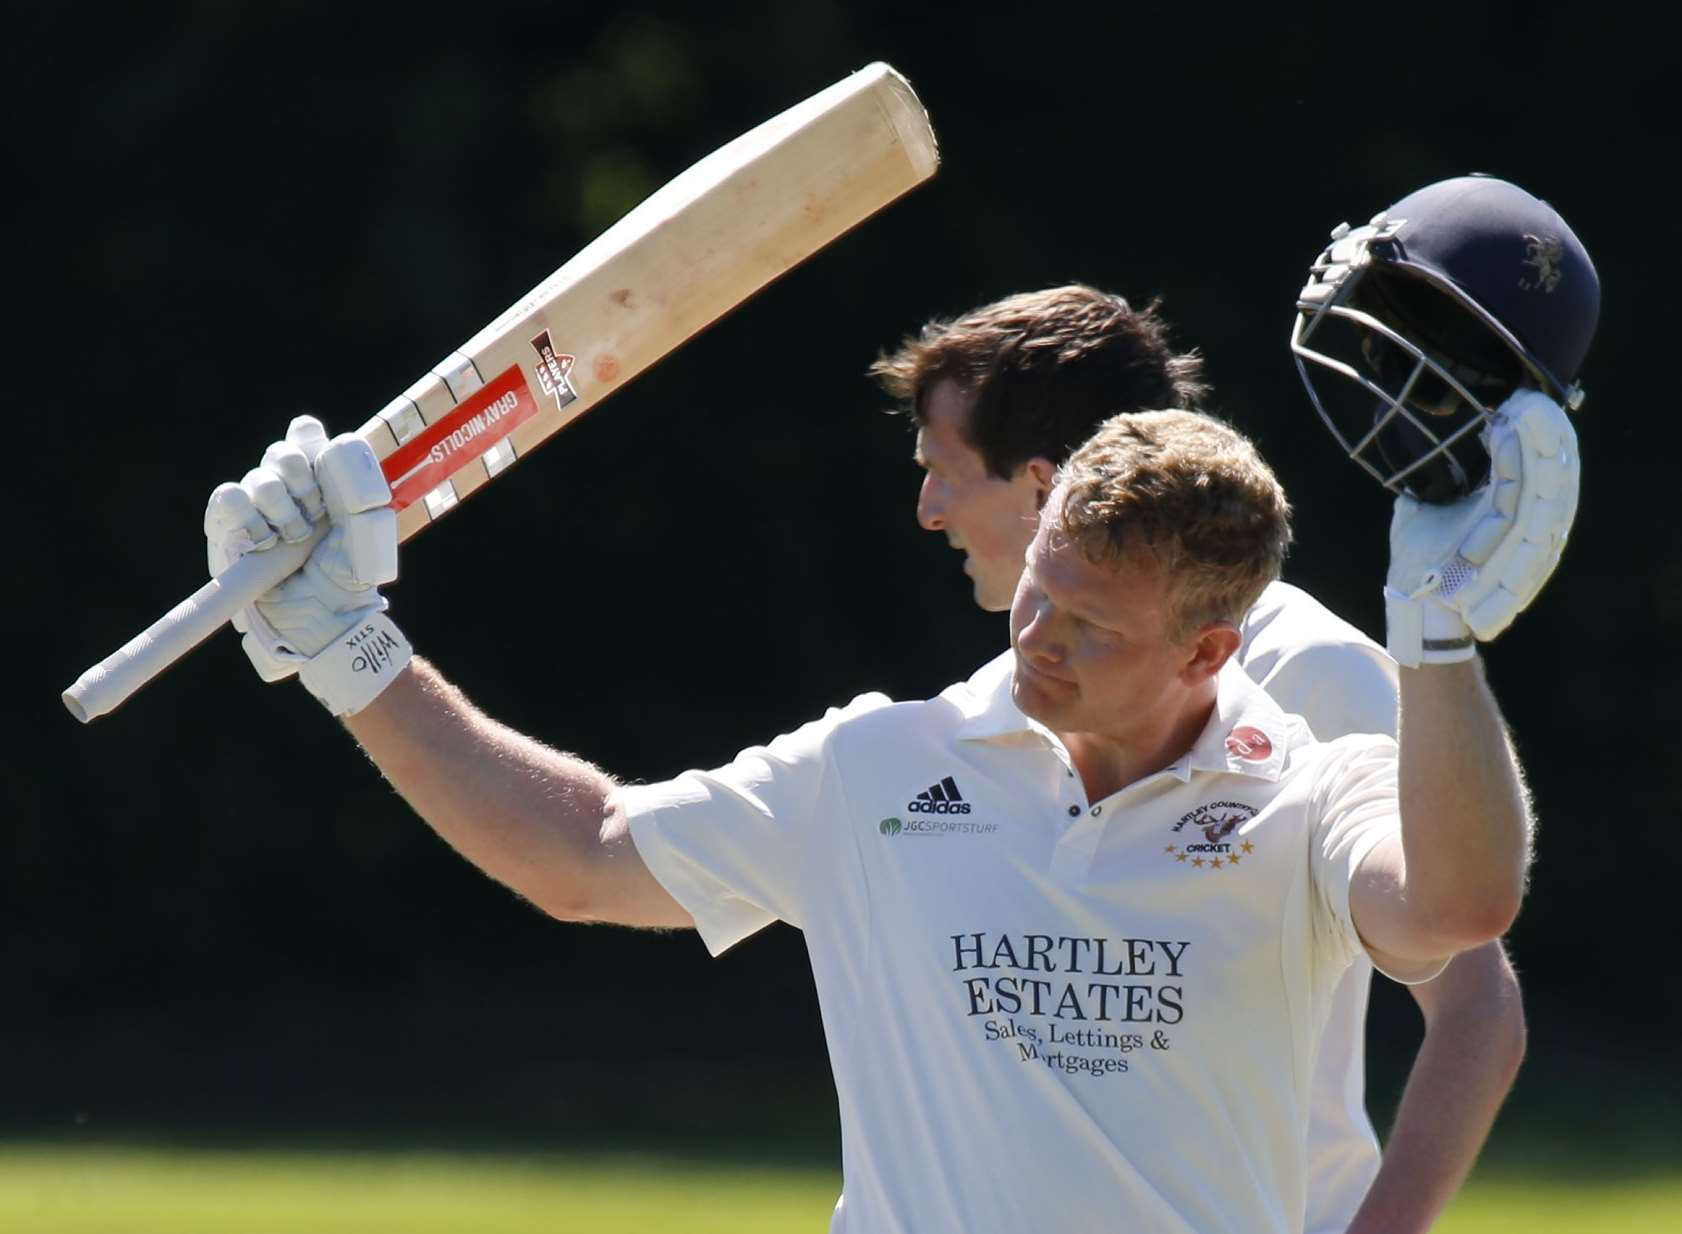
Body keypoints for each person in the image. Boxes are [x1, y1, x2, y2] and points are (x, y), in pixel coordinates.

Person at [199, 176, 1585, 1232]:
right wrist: (346, 645)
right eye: (1041, 598)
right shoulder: (895, 754)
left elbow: (1469, 956)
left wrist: (1439, 642)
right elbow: (588, 854)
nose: (925, 508)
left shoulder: (1307, 709)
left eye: (947, 468)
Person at [867, 283, 1526, 1234]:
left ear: (1048, 483)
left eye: (947, 469)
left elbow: (1477, 1007)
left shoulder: (1312, 667)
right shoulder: (1034, 675)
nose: (929, 510)